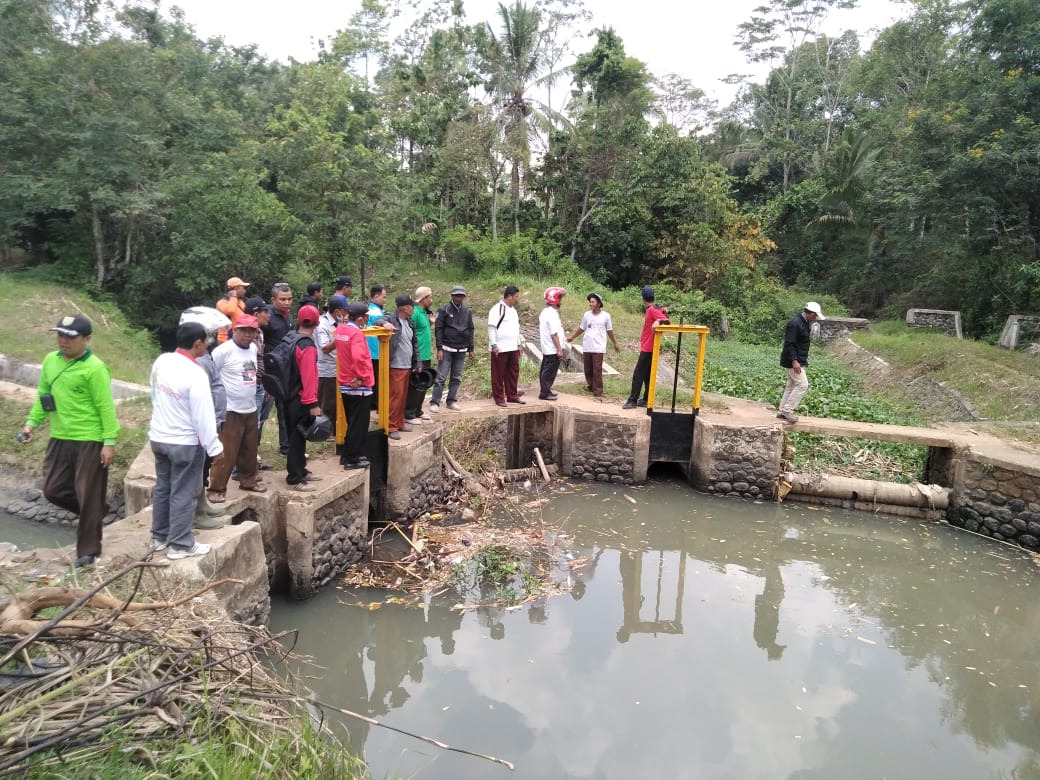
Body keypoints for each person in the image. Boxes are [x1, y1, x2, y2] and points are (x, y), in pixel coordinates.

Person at [18, 315, 119, 568]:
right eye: (60, 335)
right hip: (59, 436)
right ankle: (97, 512)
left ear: (86, 339)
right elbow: (44, 396)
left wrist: (109, 441)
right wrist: (31, 424)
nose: (64, 341)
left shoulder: (95, 368)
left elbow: (105, 407)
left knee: (87, 496)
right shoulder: (51, 361)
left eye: (70, 337)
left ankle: (88, 551)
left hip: (90, 439)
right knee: (52, 489)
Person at [147, 321, 223, 560]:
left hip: (159, 437)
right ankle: (180, 544)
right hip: (184, 442)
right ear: (198, 343)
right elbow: (204, 416)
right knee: (184, 491)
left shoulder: (162, 362)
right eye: (206, 341)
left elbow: (154, 394)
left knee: (163, 487)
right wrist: (214, 447)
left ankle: (159, 537)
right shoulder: (195, 373)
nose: (207, 345)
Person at [207, 314, 264, 502]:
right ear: (235, 330)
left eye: (252, 331)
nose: (248, 334)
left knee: (250, 448)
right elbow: (210, 375)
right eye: (244, 330)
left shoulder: (253, 349)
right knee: (227, 451)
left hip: (250, 406)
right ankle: (216, 488)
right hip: (230, 409)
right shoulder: (223, 351)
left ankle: (248, 479)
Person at [286, 304, 323, 489]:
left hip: (286, 395)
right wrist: (313, 403)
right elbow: (308, 377)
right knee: (297, 437)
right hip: (300, 398)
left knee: (294, 435)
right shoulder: (306, 345)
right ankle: (295, 477)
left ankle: (301, 470)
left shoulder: (290, 337)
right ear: (317, 322)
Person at [336, 302, 374, 469]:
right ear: (360, 318)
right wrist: (360, 376)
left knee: (352, 422)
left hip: (345, 383)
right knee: (359, 424)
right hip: (359, 386)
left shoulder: (341, 330)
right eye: (367, 316)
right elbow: (359, 357)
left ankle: (346, 455)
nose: (367, 319)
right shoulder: (356, 334)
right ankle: (352, 458)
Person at [376, 294, 420, 440]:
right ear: (405, 308)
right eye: (412, 306)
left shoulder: (409, 322)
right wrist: (385, 324)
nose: (413, 309)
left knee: (402, 396)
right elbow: (378, 320)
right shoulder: (391, 318)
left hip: (407, 365)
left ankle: (399, 422)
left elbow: (414, 343)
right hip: (395, 365)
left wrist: (417, 361)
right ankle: (390, 426)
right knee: (394, 396)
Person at [622, 286, 670, 410]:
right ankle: (646, 399)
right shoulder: (654, 309)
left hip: (648, 348)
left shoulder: (651, 310)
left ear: (643, 298)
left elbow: (667, 321)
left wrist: (659, 320)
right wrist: (662, 315)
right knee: (647, 375)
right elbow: (664, 316)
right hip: (650, 347)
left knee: (638, 374)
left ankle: (632, 400)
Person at [778, 301, 825, 423]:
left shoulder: (803, 322)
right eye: (815, 316)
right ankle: (787, 411)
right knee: (803, 385)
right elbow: (790, 343)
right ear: (811, 313)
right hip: (793, 361)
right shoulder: (795, 324)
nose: (815, 318)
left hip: (798, 360)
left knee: (791, 385)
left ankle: (782, 411)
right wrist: (795, 361)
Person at [430, 285, 475, 413]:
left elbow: (470, 329)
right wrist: (439, 348)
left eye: (461, 296)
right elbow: (438, 329)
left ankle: (451, 401)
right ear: (452, 296)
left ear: (463, 297)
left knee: (456, 377)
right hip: (446, 348)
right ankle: (435, 402)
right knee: (441, 377)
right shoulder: (444, 310)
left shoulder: (467, 312)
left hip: (461, 349)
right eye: (456, 295)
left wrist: (471, 348)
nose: (458, 298)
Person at [568, 293, 621, 398]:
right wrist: (572, 337)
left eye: (593, 302)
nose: (590, 304)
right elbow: (581, 328)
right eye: (590, 302)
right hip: (587, 345)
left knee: (597, 369)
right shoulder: (586, 315)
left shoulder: (606, 316)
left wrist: (615, 342)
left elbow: (609, 330)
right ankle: (591, 386)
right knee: (588, 369)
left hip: (598, 347)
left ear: (599, 303)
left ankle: (598, 392)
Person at [263, 283, 293, 456]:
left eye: (289, 299)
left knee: (284, 409)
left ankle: (286, 446)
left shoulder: (287, 316)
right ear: (273, 299)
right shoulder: (267, 317)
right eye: (282, 299)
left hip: (286, 369)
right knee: (263, 414)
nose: (287, 302)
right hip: (270, 370)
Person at [244, 296, 274, 463]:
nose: (268, 315)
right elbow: (246, 362)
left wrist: (265, 383)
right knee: (250, 425)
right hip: (251, 386)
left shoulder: (260, 333)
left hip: (261, 384)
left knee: (258, 422)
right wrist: (251, 384)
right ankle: (244, 465)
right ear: (256, 313)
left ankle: (251, 459)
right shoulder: (245, 335)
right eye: (265, 312)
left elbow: (260, 360)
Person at [487, 285, 524, 408]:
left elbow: (516, 329)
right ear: (509, 296)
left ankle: (512, 395)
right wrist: (494, 345)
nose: (517, 299)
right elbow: (492, 328)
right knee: (498, 374)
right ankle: (499, 398)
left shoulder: (513, 311)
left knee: (513, 372)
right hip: (500, 347)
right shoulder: (497, 309)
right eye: (516, 297)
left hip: (513, 347)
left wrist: (519, 344)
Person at [406, 286, 435, 424]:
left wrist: (430, 323)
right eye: (429, 297)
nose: (431, 299)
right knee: (415, 385)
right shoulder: (415, 313)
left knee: (424, 384)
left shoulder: (425, 313)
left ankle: (418, 410)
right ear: (423, 298)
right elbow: (411, 333)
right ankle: (409, 414)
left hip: (426, 355)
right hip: (418, 356)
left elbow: (424, 330)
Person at [317, 294, 348, 422]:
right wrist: (341, 336)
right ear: (337, 311)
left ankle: (336, 428)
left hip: (340, 368)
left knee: (337, 402)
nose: (346, 313)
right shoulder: (322, 324)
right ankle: (324, 430)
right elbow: (325, 347)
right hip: (327, 370)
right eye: (344, 310)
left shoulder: (341, 322)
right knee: (327, 401)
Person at [537, 287, 568, 402]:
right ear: (554, 299)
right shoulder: (552, 314)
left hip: (548, 347)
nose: (561, 300)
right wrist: (559, 349)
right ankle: (544, 393)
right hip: (552, 348)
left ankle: (546, 390)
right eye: (559, 297)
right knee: (549, 371)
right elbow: (554, 333)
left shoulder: (546, 312)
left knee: (546, 369)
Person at [366, 285, 388, 407]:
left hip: (372, 350)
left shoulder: (371, 309)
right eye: (383, 297)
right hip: (376, 350)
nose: (385, 300)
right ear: (376, 296)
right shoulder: (375, 312)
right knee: (377, 378)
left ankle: (374, 403)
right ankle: (376, 403)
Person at [215, 276, 249, 343]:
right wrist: (233, 297)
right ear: (236, 289)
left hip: (239, 338)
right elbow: (230, 311)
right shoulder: (221, 303)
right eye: (243, 288)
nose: (244, 291)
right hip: (226, 339)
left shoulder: (240, 302)